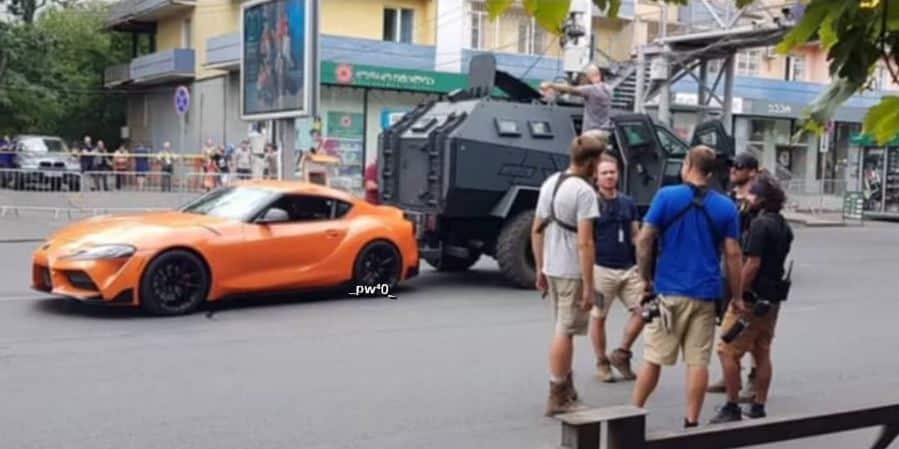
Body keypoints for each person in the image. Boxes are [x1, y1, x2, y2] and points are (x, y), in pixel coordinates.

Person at [631, 145, 743, 428]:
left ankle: (631, 414)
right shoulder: (726, 207)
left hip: (669, 292)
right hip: (706, 294)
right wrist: (737, 295)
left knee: (653, 358)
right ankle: (691, 421)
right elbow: (732, 255)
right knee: (698, 362)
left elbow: (644, 241)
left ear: (688, 164)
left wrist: (644, 279)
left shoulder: (666, 197)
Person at [531, 134, 605, 416]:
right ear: (589, 163)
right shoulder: (584, 192)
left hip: (552, 267)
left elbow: (536, 229)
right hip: (571, 270)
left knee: (563, 328)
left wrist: (540, 268)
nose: (598, 168)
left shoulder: (551, 182)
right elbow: (585, 243)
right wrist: (589, 285)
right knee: (565, 331)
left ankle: (566, 388)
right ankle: (558, 393)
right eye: (598, 163)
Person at [710, 174, 793, 423]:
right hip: (772, 299)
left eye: (750, 194)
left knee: (727, 349)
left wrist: (737, 294)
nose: (744, 197)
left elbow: (752, 263)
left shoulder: (760, 225)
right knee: (762, 350)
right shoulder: (782, 225)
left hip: (751, 299)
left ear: (761, 199)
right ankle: (758, 405)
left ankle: (732, 406)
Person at [709, 152, 761, 398]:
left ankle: (754, 377)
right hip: (726, 264)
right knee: (728, 323)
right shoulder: (729, 197)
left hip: (748, 265)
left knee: (749, 326)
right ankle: (731, 374)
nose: (733, 171)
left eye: (738, 167)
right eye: (732, 166)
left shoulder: (760, 201)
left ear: (752, 171)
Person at [589, 153, 644, 383]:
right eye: (605, 173)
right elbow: (585, 240)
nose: (609, 176)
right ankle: (602, 362)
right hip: (601, 270)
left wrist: (643, 266)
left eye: (612, 172)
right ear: (596, 177)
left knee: (645, 310)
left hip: (628, 269)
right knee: (599, 316)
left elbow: (636, 235)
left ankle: (621, 353)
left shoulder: (628, 202)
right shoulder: (591, 203)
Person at [540, 64, 613, 133]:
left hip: (591, 134)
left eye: (584, 77)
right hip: (604, 133)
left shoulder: (591, 90)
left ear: (588, 77)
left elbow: (572, 89)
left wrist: (551, 84)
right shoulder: (609, 89)